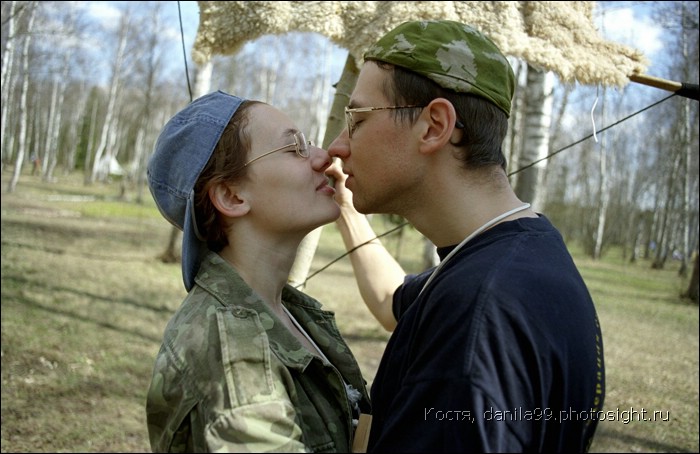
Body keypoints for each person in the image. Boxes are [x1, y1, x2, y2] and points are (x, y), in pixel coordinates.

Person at [325, 20, 605, 452]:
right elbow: (392, 301)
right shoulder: (518, 258)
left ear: (435, 125)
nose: (338, 147)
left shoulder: (479, 315)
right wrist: (345, 207)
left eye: (357, 119)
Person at [145, 90, 370, 453]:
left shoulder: (294, 313)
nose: (323, 156)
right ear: (233, 197)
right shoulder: (230, 350)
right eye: (295, 148)